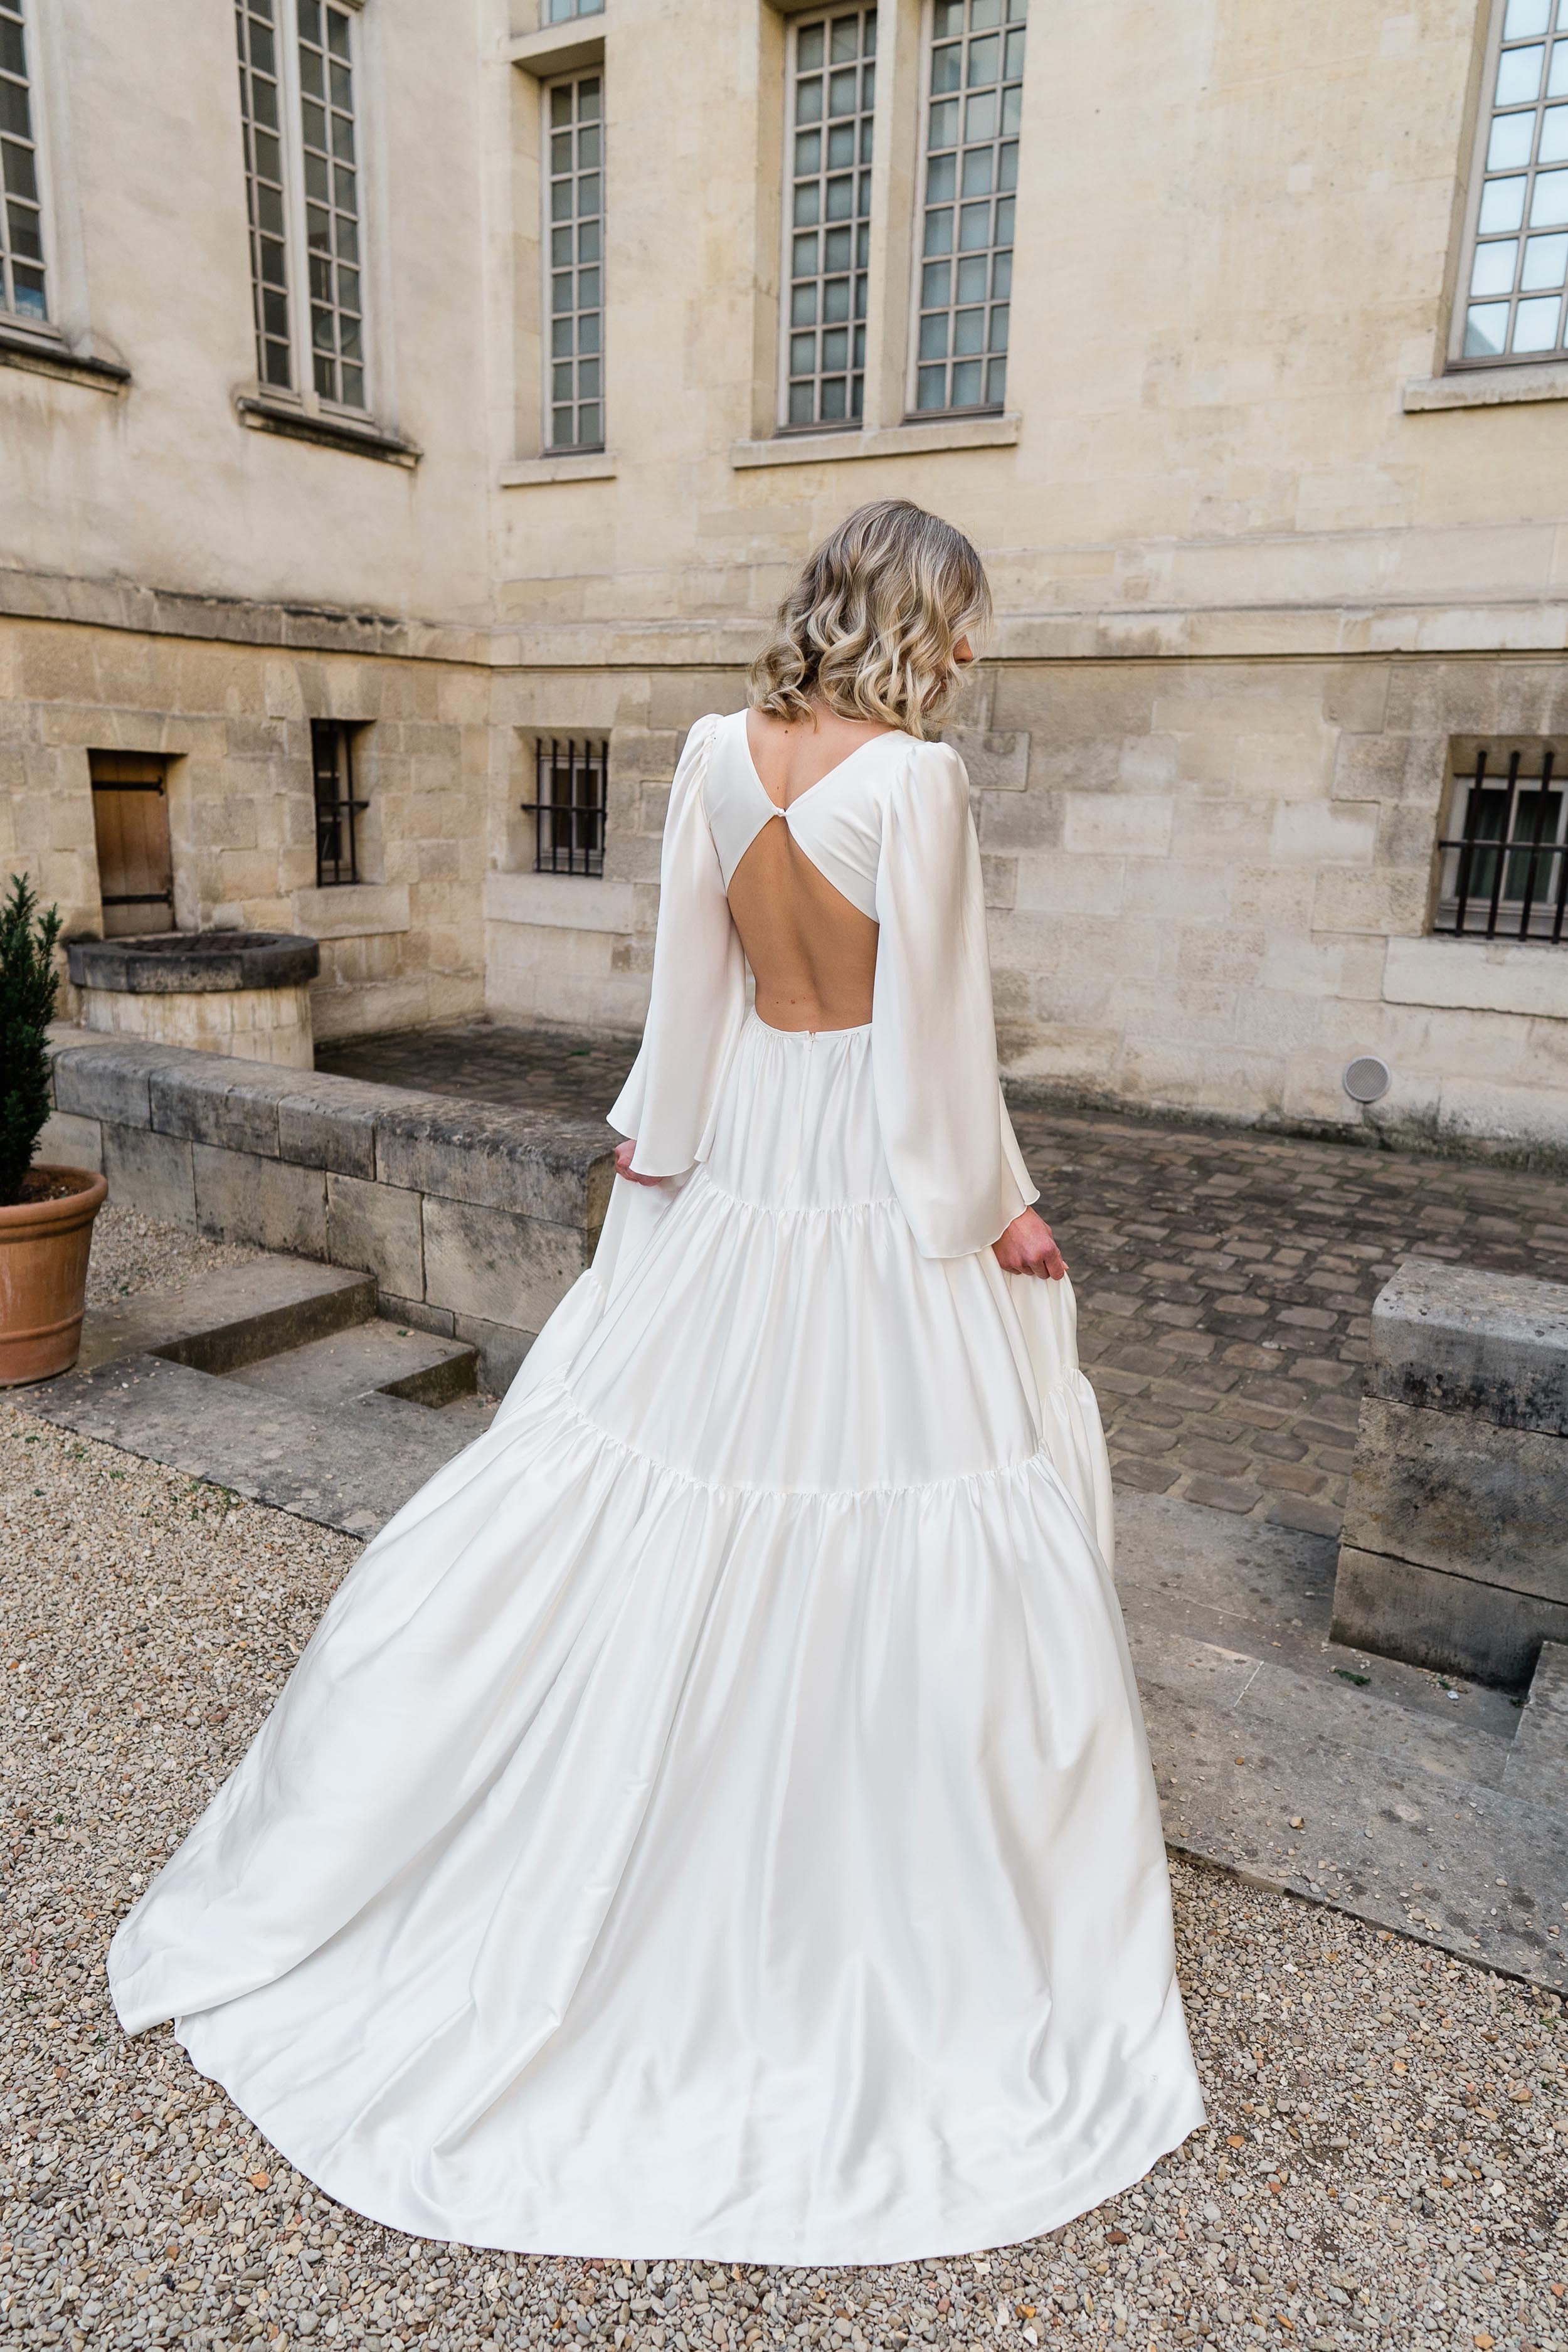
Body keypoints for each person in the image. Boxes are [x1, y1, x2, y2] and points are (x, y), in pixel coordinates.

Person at [107, 499, 1204, 2264]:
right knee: (890, 1465)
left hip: (739, 1135)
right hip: (857, 1150)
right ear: (918, 624)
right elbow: (936, 1041)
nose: (978, 651)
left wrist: (655, 1157)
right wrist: (995, 1210)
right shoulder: (913, 786)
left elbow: (678, 996)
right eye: (969, 622)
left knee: (660, 1457)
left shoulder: (711, 749)